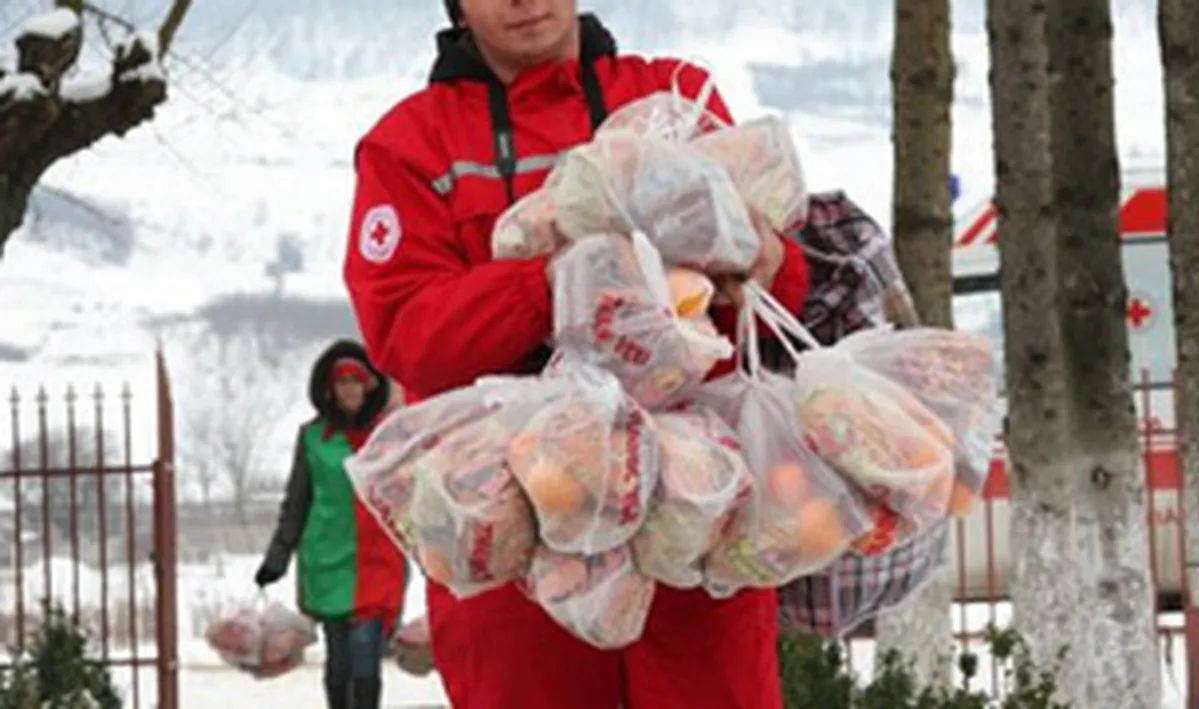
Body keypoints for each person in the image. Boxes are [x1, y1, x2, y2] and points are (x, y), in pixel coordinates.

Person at [342, 1, 810, 707]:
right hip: (517, 554)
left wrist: (770, 260)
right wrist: (552, 283)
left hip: (693, 533)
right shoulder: (412, 145)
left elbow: (775, 299)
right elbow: (408, 330)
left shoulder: (673, 98)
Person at [255, 339, 408, 709]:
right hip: (326, 561)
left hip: (376, 564)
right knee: (338, 664)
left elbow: (409, 499)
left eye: (357, 380)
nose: (350, 389)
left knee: (364, 660)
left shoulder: (389, 435)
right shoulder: (312, 438)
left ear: (371, 385)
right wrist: (277, 558)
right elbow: (297, 502)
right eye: (342, 382)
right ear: (329, 388)